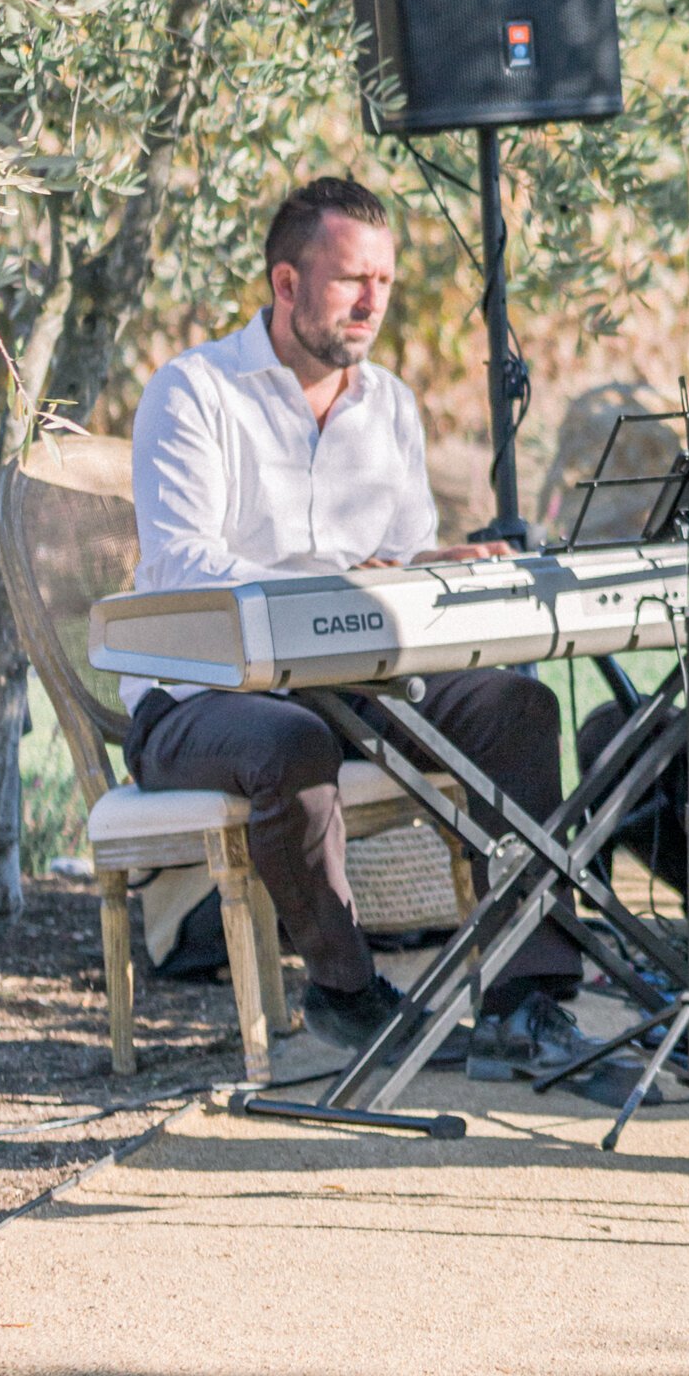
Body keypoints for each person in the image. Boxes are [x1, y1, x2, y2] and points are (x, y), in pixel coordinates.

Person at [126, 176, 611, 1088]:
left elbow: (396, 561)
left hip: (358, 676)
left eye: (384, 282)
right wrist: (345, 583)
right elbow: (188, 568)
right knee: (293, 743)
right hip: (199, 694)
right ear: (285, 284)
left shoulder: (387, 403)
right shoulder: (193, 393)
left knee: (516, 709)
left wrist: (442, 565)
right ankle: (347, 993)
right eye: (353, 279)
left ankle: (526, 1001)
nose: (373, 302)